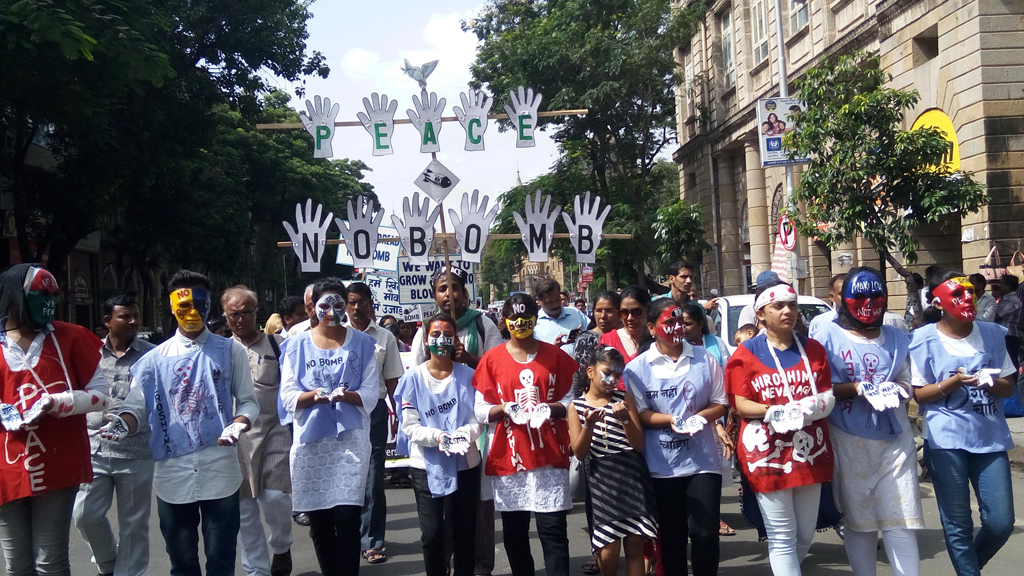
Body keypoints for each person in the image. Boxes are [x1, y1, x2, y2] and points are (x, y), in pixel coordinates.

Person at [110, 269, 259, 576]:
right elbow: (137, 407)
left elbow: (247, 401)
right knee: (182, 562)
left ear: (209, 307)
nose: (192, 312)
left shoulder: (230, 351)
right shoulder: (154, 359)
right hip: (173, 477)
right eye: (184, 306)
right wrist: (121, 424)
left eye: (200, 305)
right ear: (172, 307)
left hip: (221, 471)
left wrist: (239, 423)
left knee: (221, 559)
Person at [0, 264, 108, 575]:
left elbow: (100, 394)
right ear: (14, 296)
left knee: (51, 563)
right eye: (41, 293)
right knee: (16, 565)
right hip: (6, 468)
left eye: (53, 294)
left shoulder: (72, 337)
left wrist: (58, 402)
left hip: (57, 464)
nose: (49, 300)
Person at [815, 268, 924, 576]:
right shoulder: (825, 336)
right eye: (860, 296)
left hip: (895, 437)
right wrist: (857, 389)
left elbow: (907, 381)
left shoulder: (897, 337)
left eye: (876, 296)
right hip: (847, 439)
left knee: (899, 517)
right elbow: (819, 388)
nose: (868, 303)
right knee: (859, 518)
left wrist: (897, 390)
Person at [909, 271, 1016, 576]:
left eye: (970, 292)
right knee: (958, 523)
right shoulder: (922, 339)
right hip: (945, 441)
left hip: (990, 437)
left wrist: (990, 383)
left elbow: (1008, 387)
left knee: (1000, 521)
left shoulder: (993, 333)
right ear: (938, 302)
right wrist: (953, 382)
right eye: (957, 294)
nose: (967, 298)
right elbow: (920, 394)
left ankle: (970, 569)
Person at [725, 281, 835, 576]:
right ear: (760, 314)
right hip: (766, 454)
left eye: (792, 305)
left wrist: (812, 407)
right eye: (779, 306)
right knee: (782, 536)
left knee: (805, 534)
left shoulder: (813, 349)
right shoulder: (745, 353)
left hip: (810, 449)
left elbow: (827, 396)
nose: (788, 311)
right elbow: (741, 403)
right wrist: (774, 411)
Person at [278, 278, 379, 575]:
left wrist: (346, 395)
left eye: (339, 304)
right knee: (320, 523)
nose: (333, 310)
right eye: (326, 305)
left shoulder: (362, 344)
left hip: (351, 441)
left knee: (348, 518)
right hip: (311, 444)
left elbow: (371, 394)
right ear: (312, 308)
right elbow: (287, 397)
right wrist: (314, 396)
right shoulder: (295, 346)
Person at [473, 293, 577, 576]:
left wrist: (550, 408)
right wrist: (504, 408)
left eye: (525, 316)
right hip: (511, 458)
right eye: (514, 317)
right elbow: (480, 411)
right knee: (515, 533)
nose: (520, 322)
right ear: (505, 320)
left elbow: (571, 402)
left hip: (548, 455)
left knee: (553, 531)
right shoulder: (492, 360)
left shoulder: (555, 356)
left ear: (535, 315)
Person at [624, 298, 729, 576]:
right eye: (669, 322)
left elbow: (721, 402)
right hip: (662, 466)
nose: (676, 327)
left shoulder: (704, 358)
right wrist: (672, 420)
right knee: (672, 537)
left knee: (705, 533)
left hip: (703, 460)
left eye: (679, 321)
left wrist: (700, 417)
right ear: (652, 326)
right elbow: (641, 414)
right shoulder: (637, 368)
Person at [74, 295, 156, 576]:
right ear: (107, 321)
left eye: (136, 315)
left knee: (134, 523)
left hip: (136, 450)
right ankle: (108, 564)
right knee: (84, 515)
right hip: (93, 448)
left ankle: (129, 572)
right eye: (125, 316)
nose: (133, 321)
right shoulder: (88, 352)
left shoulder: (151, 354)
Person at [396, 312, 481, 576]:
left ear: (456, 339)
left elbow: (478, 419)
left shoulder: (469, 376)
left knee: (465, 531)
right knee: (432, 533)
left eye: (447, 335)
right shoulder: (413, 378)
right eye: (435, 334)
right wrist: (438, 437)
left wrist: (462, 436)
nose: (441, 340)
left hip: (466, 462)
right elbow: (409, 425)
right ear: (425, 339)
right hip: (425, 465)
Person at [222, 286, 294, 576]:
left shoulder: (278, 345)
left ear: (257, 313)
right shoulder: (220, 349)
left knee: (275, 497)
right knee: (244, 511)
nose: (240, 320)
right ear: (225, 317)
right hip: (233, 439)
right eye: (234, 315)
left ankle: (282, 546)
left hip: (274, 431)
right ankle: (257, 571)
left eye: (246, 313)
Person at [568, 346, 656, 576]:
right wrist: (588, 425)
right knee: (608, 550)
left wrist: (626, 419)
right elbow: (578, 452)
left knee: (635, 545)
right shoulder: (576, 406)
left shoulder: (624, 399)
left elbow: (638, 444)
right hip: (602, 477)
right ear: (590, 371)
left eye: (618, 375)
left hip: (631, 475)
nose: (612, 380)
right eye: (607, 372)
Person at [345, 282, 405, 565]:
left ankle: (372, 541)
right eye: (351, 302)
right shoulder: (333, 334)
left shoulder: (385, 338)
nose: (356, 308)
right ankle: (345, 535)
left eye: (361, 302)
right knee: (343, 477)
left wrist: (405, 418)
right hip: (339, 413)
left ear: (371, 304)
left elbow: (393, 383)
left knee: (371, 479)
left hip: (374, 413)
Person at [534, 278, 590, 354]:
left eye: (557, 299)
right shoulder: (534, 323)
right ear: (539, 301)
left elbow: (594, 333)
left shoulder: (575, 313)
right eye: (549, 302)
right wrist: (553, 349)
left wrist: (584, 336)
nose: (555, 305)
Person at [600, 286, 650, 364]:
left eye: (637, 312)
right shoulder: (608, 340)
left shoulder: (658, 341)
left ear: (647, 310)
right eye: (624, 313)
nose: (630, 318)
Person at [991, 274, 1021, 371]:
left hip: (1008, 335)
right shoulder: (1004, 299)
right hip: (1003, 334)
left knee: (1010, 364)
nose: (999, 286)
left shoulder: (1012, 300)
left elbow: (996, 315)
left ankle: (1012, 385)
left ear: (1008, 285)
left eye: (1002, 283)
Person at [807, 273, 846, 339]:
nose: (848, 298)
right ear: (832, 297)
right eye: (843, 294)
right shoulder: (819, 323)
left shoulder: (865, 322)